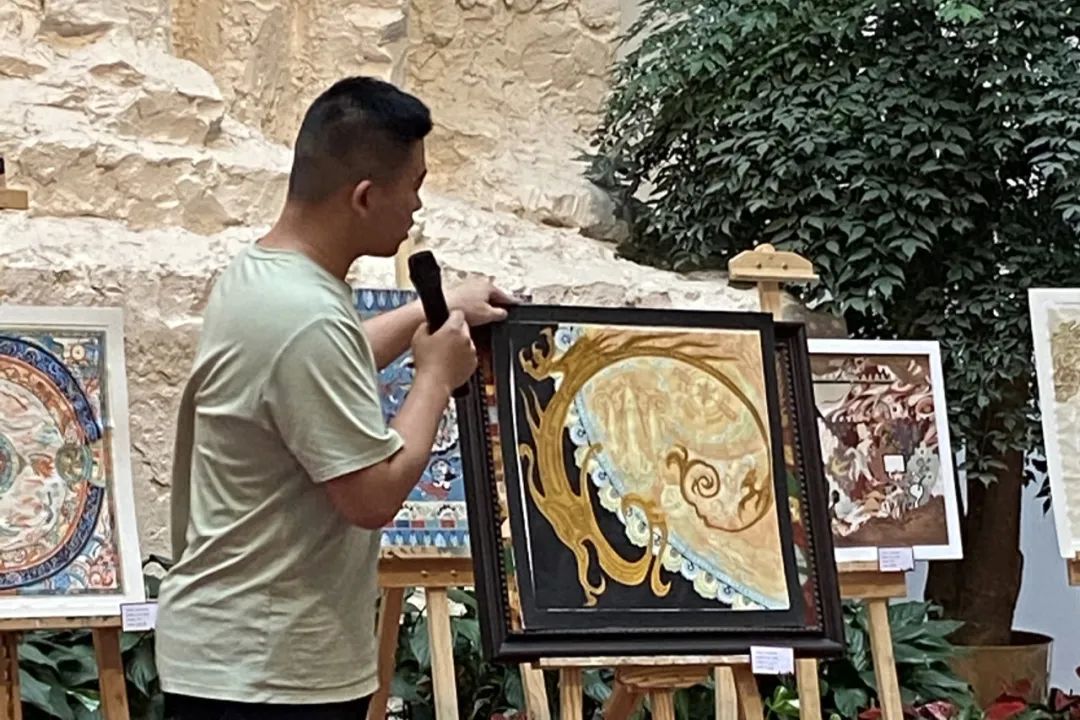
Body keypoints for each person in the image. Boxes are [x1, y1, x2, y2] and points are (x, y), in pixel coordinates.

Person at [154, 76, 516, 720]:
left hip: (239, 659)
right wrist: (434, 377)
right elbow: (371, 496)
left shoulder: (265, 276)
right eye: (414, 187)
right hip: (266, 674)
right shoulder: (306, 317)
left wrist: (431, 310)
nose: (417, 207)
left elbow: (326, 363)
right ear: (365, 197)